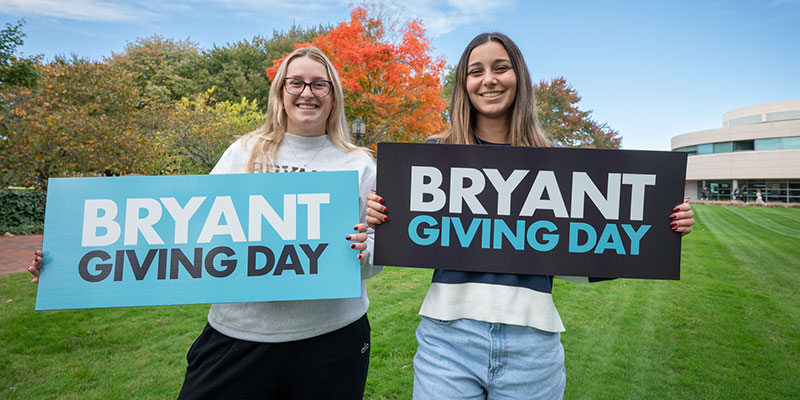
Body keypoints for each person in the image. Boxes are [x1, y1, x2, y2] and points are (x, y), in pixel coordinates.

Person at [28, 46, 383, 399]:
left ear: (333, 95)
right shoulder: (243, 152)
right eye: (296, 83)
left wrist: (365, 252)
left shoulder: (360, 165)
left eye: (319, 84)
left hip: (332, 339)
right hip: (239, 334)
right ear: (280, 93)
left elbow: (374, 260)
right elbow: (185, 230)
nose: (307, 93)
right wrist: (66, 261)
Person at [366, 32, 695, 399]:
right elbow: (403, 235)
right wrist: (381, 215)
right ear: (464, 84)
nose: (488, 79)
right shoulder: (434, 154)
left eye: (500, 68)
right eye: (476, 71)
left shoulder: (554, 160)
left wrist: (654, 231)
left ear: (519, 77)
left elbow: (576, 258)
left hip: (533, 346)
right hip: (447, 340)